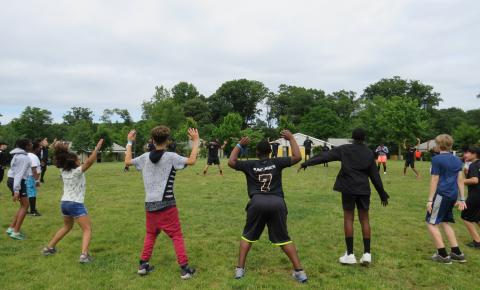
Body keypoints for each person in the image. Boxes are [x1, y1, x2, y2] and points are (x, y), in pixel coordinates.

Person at [298, 128, 389, 265]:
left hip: (348, 188)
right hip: (363, 189)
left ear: (352, 137)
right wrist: (382, 193)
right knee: (365, 219)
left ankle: (350, 255)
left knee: (348, 218)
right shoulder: (369, 153)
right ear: (364, 138)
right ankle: (367, 254)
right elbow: (375, 176)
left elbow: (325, 156)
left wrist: (306, 163)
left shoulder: (345, 149)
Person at [228, 130, 307, 283]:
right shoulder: (277, 162)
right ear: (271, 152)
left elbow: (231, 162)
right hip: (277, 202)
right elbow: (298, 157)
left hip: (257, 202)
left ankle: (239, 270)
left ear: (257, 152)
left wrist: (239, 145)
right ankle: (300, 272)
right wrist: (291, 138)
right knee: (284, 238)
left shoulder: (250, 164)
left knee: (247, 236)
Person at [125, 126, 199, 279]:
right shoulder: (171, 157)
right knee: (176, 235)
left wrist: (129, 142)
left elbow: (127, 161)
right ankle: (185, 269)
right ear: (168, 140)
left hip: (149, 204)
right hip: (167, 204)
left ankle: (143, 265)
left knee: (151, 234)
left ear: (152, 140)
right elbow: (192, 161)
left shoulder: (144, 157)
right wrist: (196, 141)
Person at [42, 138, 104, 263]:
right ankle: (84, 256)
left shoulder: (62, 170)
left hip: (64, 203)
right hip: (75, 204)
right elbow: (89, 162)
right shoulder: (77, 172)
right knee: (87, 229)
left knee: (67, 226)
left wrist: (59, 147)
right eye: (77, 159)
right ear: (74, 162)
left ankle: (49, 248)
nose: (79, 161)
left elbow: (64, 157)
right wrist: (97, 148)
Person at [425, 134, 466, 263]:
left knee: (431, 223)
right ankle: (456, 253)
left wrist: (430, 200)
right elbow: (460, 180)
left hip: (441, 194)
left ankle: (442, 254)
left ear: (439, 145)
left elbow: (434, 179)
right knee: (444, 222)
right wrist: (462, 198)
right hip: (452, 195)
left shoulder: (437, 159)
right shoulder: (457, 160)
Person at [6, 139, 32, 240]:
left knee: (23, 205)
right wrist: (16, 190)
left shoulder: (17, 155)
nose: (31, 145)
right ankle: (16, 232)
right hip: (17, 181)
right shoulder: (23, 158)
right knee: (25, 206)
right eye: (30, 144)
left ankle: (11, 228)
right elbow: (19, 174)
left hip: (12, 179)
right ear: (26, 146)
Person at [460, 146, 480, 248]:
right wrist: (465, 173)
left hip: (475, 196)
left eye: (467, 153)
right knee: (477, 218)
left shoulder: (473, 165)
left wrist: (460, 181)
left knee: (466, 217)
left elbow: (475, 180)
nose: (465, 155)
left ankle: (477, 242)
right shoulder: (477, 164)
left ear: (474, 154)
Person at [27, 140, 42, 216]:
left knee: (27, 193)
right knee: (32, 194)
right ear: (36, 148)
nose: (41, 148)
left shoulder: (27, 155)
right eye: (40, 146)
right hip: (31, 177)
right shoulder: (32, 156)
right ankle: (33, 211)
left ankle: (26, 209)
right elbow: (33, 169)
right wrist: (37, 180)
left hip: (28, 177)